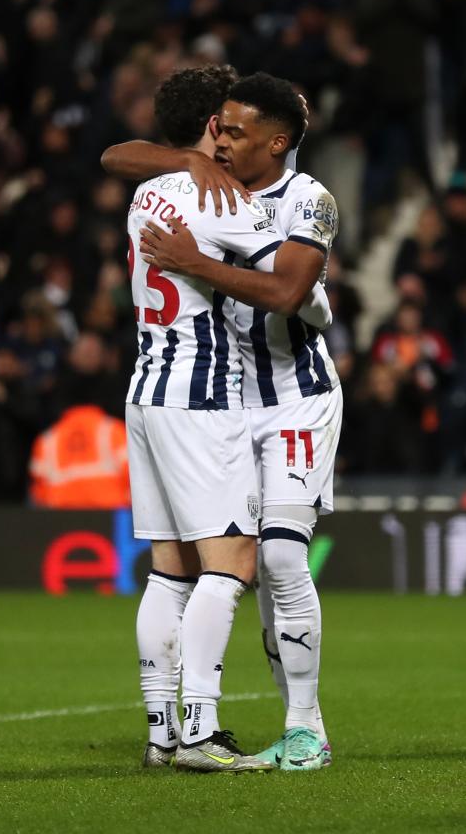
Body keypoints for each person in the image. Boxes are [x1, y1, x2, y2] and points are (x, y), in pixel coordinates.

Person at [112, 72, 340, 772]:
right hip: (217, 397)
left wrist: (195, 260)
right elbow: (302, 296)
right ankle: (196, 729)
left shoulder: (308, 199)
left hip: (292, 395)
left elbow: (297, 296)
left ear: (273, 141)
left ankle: (300, 725)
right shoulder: (215, 194)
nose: (229, 140)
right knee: (226, 563)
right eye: (224, 127)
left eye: (241, 130)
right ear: (209, 129)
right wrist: (189, 166)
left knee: (273, 558)